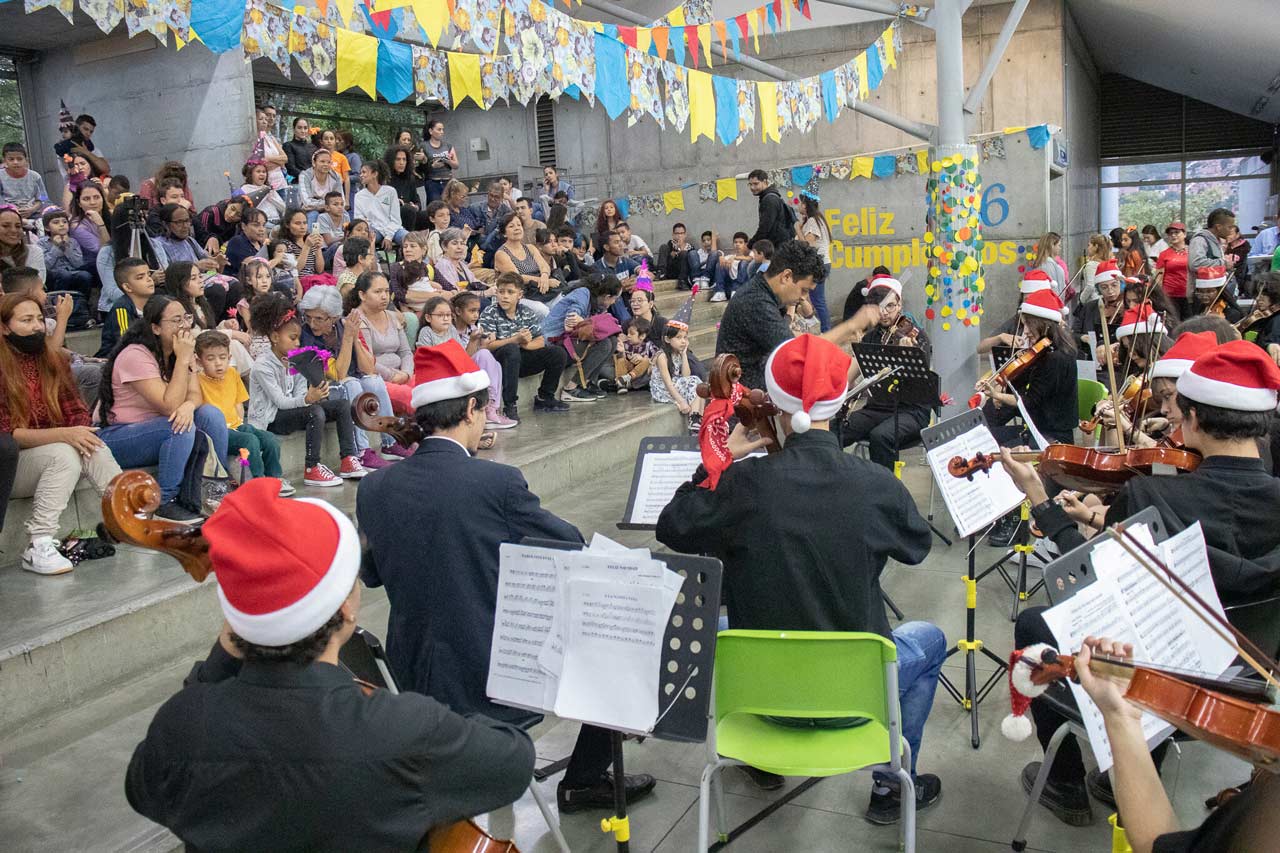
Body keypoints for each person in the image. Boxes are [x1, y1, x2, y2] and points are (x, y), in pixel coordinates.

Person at [126, 476, 536, 850]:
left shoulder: (182, 726)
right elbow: (514, 762)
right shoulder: (403, 730)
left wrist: (227, 649)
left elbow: (142, 790)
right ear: (345, 608)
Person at [358, 341, 654, 814]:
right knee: (615, 637)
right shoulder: (496, 483)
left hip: (410, 676)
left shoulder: (374, 488)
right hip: (487, 679)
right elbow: (570, 544)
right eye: (485, 408)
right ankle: (583, 781)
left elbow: (372, 574)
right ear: (470, 409)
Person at [657, 334, 943, 822]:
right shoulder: (876, 485)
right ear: (842, 402)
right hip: (856, 700)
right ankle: (891, 784)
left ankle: (759, 758)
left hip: (762, 702)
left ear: (775, 404)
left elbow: (672, 523)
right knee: (929, 640)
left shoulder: (743, 484)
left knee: (721, 634)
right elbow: (916, 546)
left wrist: (720, 461)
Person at [1001, 338, 1280, 827]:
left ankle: (1065, 783)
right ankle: (1125, 775)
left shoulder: (1151, 495)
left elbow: (1086, 585)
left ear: (1193, 419)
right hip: (1247, 693)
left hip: (1158, 681)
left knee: (1033, 625)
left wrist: (1041, 501)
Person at [0, 292, 120, 575]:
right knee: (63, 452)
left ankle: (130, 518)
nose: (36, 327)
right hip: (11, 467)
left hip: (49, 456)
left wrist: (75, 432)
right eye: (26, 320)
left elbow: (76, 413)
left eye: (39, 319)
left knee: (92, 445)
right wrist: (65, 434)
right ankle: (38, 543)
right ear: (4, 327)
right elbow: (6, 436)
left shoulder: (53, 361)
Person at [96, 295, 228, 522]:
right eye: (176, 320)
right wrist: (183, 359)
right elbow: (168, 406)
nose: (184, 325)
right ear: (155, 328)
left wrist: (188, 406)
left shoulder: (179, 351)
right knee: (179, 427)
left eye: (186, 318)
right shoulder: (135, 355)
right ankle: (164, 502)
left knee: (210, 414)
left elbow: (195, 395)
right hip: (119, 436)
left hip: (159, 428)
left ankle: (215, 489)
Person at [715, 239, 880, 390]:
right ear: (786, 276)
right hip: (746, 398)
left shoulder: (762, 292)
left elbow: (793, 338)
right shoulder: (755, 302)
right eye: (804, 290)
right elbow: (798, 349)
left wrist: (842, 336)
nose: (803, 297)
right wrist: (851, 325)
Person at [247, 293, 366, 486]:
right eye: (293, 338)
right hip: (271, 418)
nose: (297, 343)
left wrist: (316, 392)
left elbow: (300, 393)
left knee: (342, 405)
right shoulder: (263, 365)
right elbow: (281, 402)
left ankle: (348, 458)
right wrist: (308, 399)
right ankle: (312, 468)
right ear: (275, 337)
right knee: (314, 411)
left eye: (298, 339)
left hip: (291, 410)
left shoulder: (296, 358)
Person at [839, 274, 934, 468]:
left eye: (890, 306)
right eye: (878, 307)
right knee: (834, 431)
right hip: (877, 409)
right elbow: (849, 375)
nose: (884, 312)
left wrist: (909, 356)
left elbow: (922, 383)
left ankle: (884, 485)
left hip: (912, 411)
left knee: (881, 436)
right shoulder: (871, 338)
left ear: (900, 305)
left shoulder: (917, 336)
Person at [979, 288, 1077, 447]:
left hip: (1051, 437)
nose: (1025, 332)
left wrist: (998, 396)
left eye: (1029, 325)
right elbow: (1020, 381)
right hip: (1034, 427)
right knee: (983, 435)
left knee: (989, 447)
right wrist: (999, 386)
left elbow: (1030, 401)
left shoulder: (1056, 358)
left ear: (1045, 325)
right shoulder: (1043, 350)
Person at [194, 330, 288, 492]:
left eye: (222, 357)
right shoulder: (197, 380)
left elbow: (238, 404)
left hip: (236, 425)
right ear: (199, 361)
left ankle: (275, 478)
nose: (218, 363)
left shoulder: (232, 373)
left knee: (269, 439)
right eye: (210, 358)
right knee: (249, 441)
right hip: (219, 432)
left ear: (229, 357)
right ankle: (257, 482)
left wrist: (239, 424)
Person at [478, 273, 570, 418]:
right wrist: (515, 340)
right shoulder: (490, 312)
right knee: (511, 350)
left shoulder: (526, 312)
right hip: (500, 361)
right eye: (501, 292)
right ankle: (510, 405)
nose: (505, 296)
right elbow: (485, 346)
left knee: (557, 353)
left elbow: (540, 340)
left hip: (521, 358)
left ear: (520, 295)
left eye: (510, 292)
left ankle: (545, 397)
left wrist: (525, 344)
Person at [415, 294, 514, 430]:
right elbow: (427, 357)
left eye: (448, 315)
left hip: (457, 368)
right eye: (440, 315)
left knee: (492, 361)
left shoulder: (451, 330)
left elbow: (463, 356)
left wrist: (474, 341)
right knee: (484, 356)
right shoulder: (426, 332)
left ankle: (491, 408)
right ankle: (488, 410)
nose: (446, 318)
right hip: (441, 373)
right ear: (428, 318)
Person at [543, 273, 622, 400]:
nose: (614, 302)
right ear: (607, 296)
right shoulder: (583, 294)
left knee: (612, 340)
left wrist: (585, 321)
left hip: (568, 342)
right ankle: (571, 387)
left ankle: (589, 382)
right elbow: (569, 325)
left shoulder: (599, 305)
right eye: (615, 299)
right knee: (604, 344)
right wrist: (584, 321)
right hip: (554, 344)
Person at [493, 212, 559, 318]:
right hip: (518, 294)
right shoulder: (501, 253)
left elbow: (544, 266)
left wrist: (544, 276)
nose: (517, 228)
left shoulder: (530, 248)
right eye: (511, 226)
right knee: (542, 310)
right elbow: (517, 277)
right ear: (504, 233)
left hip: (538, 290)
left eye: (519, 225)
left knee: (562, 303)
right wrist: (542, 281)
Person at [650, 319, 703, 430]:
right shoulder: (662, 356)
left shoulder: (678, 353)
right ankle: (694, 419)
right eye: (679, 338)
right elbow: (668, 384)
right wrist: (681, 401)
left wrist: (684, 354)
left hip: (675, 383)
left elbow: (686, 376)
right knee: (695, 381)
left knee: (700, 387)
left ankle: (699, 419)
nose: (683, 341)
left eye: (685, 337)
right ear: (667, 339)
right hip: (662, 389)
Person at [97, 257, 155, 357]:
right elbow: (125, 342)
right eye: (140, 277)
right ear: (127, 287)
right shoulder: (121, 308)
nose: (149, 279)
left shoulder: (154, 304)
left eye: (149, 274)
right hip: (116, 359)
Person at [39, 207, 93, 310]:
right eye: (56, 222)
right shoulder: (42, 243)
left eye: (64, 222)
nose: (61, 225)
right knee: (64, 275)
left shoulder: (73, 242)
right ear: (47, 228)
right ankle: (58, 305)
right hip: (53, 274)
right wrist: (56, 247)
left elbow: (78, 263)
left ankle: (81, 305)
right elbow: (46, 265)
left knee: (85, 275)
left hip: (73, 271)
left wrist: (67, 247)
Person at [1071, 258, 1125, 360]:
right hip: (1090, 358)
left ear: (1121, 284)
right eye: (1104, 287)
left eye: (1114, 285)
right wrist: (1082, 338)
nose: (1110, 291)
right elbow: (1073, 334)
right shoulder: (1089, 307)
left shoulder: (1126, 307)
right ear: (1098, 289)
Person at [795, 193, 833, 331]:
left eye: (801, 203)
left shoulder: (813, 221)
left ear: (806, 205)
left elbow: (807, 245)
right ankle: (821, 328)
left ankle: (826, 331)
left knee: (818, 300)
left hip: (818, 264)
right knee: (815, 298)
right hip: (818, 264)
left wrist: (797, 228)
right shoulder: (815, 220)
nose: (799, 205)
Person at [353, 160, 406, 251]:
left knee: (411, 239)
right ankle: (374, 260)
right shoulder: (359, 196)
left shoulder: (390, 191)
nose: (361, 175)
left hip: (394, 229)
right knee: (365, 241)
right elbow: (359, 219)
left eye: (364, 172)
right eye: (360, 173)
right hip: (373, 230)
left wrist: (389, 236)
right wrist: (369, 230)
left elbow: (396, 219)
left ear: (374, 174)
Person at [746, 168, 795, 249]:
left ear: (765, 182)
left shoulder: (769, 200)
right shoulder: (769, 197)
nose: (752, 187)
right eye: (750, 184)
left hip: (778, 247)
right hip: (778, 245)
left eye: (756, 184)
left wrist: (750, 245)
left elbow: (765, 228)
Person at [68, 181, 110, 273]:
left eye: (96, 197)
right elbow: (104, 251)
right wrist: (101, 225)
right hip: (94, 267)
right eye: (86, 199)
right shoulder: (76, 226)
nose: (92, 202)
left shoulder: (110, 215)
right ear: (79, 203)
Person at [385, 145, 428, 231]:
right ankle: (408, 237)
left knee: (428, 215)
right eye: (398, 159)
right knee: (408, 210)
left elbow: (417, 200)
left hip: (410, 213)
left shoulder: (410, 179)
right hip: (391, 216)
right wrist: (396, 202)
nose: (401, 163)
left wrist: (416, 206)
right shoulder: (385, 179)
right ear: (391, 161)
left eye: (404, 159)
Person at [0, 143, 49, 219]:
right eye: (11, 159)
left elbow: (43, 198)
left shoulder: (35, 176)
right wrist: (12, 210)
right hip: (6, 213)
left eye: (19, 159)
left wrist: (32, 209)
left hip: (32, 212)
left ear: (26, 160)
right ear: (5, 161)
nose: (15, 162)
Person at [275, 208, 326, 277]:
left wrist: (318, 248)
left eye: (305, 223)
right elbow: (294, 270)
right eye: (297, 223)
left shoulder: (310, 242)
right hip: (297, 281)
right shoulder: (285, 244)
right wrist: (306, 247)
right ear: (287, 225)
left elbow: (320, 270)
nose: (302, 227)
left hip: (313, 279)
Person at [1153, 221, 1189, 318]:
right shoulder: (1164, 254)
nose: (1173, 235)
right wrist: (1160, 296)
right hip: (1170, 296)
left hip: (1189, 295)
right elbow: (1159, 277)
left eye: (1176, 232)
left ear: (1184, 234)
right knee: (1173, 321)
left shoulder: (1192, 252)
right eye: (1170, 233)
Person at [0, 206, 45, 281]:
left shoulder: (33, 252)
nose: (14, 230)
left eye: (18, 226)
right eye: (5, 226)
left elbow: (35, 284)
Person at [298, 148, 344, 221]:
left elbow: (341, 199)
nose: (326, 164)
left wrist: (330, 206)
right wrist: (330, 204)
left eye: (329, 162)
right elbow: (307, 202)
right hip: (309, 211)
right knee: (314, 214)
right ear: (314, 163)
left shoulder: (336, 177)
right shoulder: (305, 176)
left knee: (344, 214)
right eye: (322, 161)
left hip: (330, 209)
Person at [613, 316, 656, 392]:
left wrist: (642, 359)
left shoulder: (649, 345)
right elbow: (622, 363)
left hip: (641, 374)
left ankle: (626, 379)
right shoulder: (626, 344)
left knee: (646, 360)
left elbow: (657, 358)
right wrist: (622, 352)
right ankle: (621, 384)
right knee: (619, 358)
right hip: (628, 371)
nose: (628, 336)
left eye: (632, 334)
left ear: (642, 336)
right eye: (628, 333)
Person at [239, 160, 287, 228]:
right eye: (258, 171)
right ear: (250, 174)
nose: (262, 174)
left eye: (264, 172)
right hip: (261, 223)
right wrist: (262, 194)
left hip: (276, 220)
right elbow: (247, 208)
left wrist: (271, 197)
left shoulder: (269, 188)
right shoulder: (245, 189)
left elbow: (283, 208)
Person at [420, 118, 458, 202]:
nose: (442, 132)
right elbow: (422, 166)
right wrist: (432, 166)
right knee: (436, 205)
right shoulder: (424, 146)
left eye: (442, 129)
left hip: (447, 180)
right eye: (439, 129)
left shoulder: (447, 146)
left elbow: (456, 165)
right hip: (432, 182)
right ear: (431, 131)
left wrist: (447, 160)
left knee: (449, 204)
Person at [224, 208, 269, 276]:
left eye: (263, 225)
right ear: (244, 226)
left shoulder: (261, 244)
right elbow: (256, 271)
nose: (262, 229)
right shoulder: (237, 242)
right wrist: (277, 259)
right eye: (256, 225)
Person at [252, 106, 288, 190]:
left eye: (274, 116)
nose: (270, 118)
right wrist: (278, 162)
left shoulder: (271, 138)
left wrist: (269, 158)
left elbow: (285, 159)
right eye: (268, 115)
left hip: (281, 182)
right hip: (266, 184)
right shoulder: (254, 140)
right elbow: (261, 164)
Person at [710, 231, 752, 302]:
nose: (737, 244)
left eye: (740, 242)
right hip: (729, 288)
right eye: (735, 242)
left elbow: (751, 259)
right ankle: (720, 292)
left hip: (743, 288)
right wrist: (720, 257)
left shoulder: (749, 256)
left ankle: (737, 291)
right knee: (720, 263)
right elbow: (714, 254)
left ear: (746, 244)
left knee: (744, 262)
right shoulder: (729, 257)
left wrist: (735, 258)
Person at [314, 129, 351, 201]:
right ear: (321, 141)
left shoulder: (342, 157)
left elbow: (346, 179)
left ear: (335, 141)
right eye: (326, 139)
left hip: (337, 192)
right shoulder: (316, 156)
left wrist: (347, 200)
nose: (329, 141)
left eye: (331, 138)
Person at [656, 223, 694, 290]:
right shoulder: (671, 243)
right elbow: (670, 256)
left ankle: (682, 281)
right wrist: (673, 254)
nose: (679, 235)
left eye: (681, 233)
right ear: (673, 235)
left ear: (685, 235)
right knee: (663, 246)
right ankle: (661, 273)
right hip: (670, 269)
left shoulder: (690, 247)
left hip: (681, 271)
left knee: (684, 253)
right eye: (677, 233)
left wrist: (681, 247)